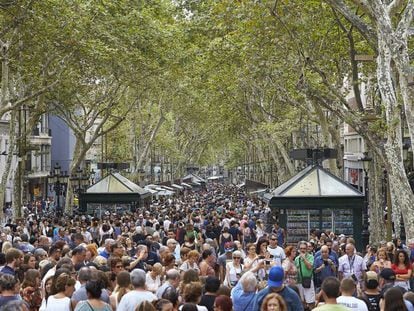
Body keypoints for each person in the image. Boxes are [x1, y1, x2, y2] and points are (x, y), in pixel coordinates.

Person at [295, 241, 315, 309]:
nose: (302, 250)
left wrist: (304, 258)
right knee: (301, 301)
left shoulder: (311, 257)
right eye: (301, 248)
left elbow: (309, 267)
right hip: (299, 281)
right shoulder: (297, 259)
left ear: (307, 249)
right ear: (299, 249)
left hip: (308, 281)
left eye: (304, 248)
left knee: (310, 301)